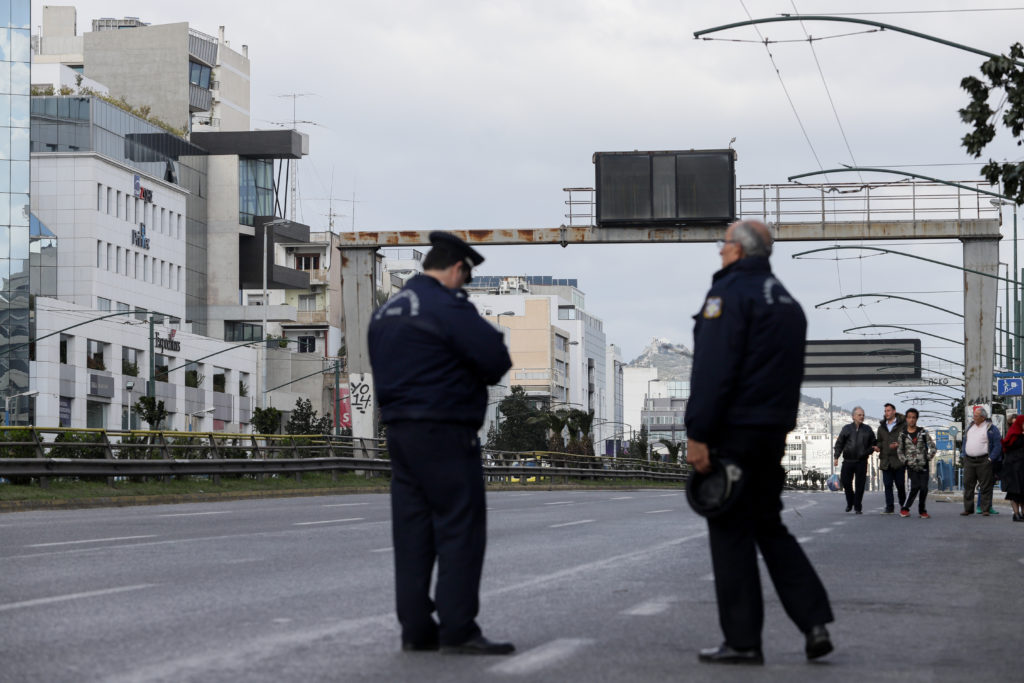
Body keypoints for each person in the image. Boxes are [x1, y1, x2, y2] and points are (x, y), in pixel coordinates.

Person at [686, 219, 834, 666]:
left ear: (738, 250)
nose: (718, 251)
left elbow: (713, 370)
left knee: (729, 532)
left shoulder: (728, 296)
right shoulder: (788, 302)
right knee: (769, 526)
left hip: (733, 432)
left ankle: (743, 640)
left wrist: (698, 433)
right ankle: (813, 623)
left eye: (723, 243)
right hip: (771, 435)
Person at [368, 231, 515, 655]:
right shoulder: (445, 306)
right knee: (458, 529)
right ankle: (458, 628)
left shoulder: (387, 310)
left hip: (399, 433)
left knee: (412, 533)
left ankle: (416, 629)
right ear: (456, 270)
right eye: (465, 279)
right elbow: (494, 359)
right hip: (446, 431)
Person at [959, 406, 1002, 517]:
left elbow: (998, 445)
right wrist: (964, 454)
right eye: (973, 415)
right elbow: (965, 441)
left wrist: (991, 458)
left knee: (985, 486)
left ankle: (985, 509)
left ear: (983, 417)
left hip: (984, 460)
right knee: (968, 485)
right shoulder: (970, 427)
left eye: (976, 416)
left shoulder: (991, 428)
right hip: (969, 460)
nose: (974, 417)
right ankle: (968, 509)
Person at [833, 407, 876, 514]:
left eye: (863, 415)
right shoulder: (846, 428)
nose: (862, 416)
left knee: (860, 485)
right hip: (848, 461)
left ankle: (857, 506)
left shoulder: (868, 429)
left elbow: (874, 443)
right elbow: (839, 444)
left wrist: (870, 450)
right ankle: (850, 501)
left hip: (861, 461)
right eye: (859, 415)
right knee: (846, 482)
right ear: (853, 416)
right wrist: (836, 456)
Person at [896, 408, 936, 518]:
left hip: (923, 465)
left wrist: (927, 458)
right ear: (906, 419)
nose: (911, 420)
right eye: (909, 417)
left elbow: (932, 447)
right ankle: (905, 508)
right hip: (911, 466)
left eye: (914, 417)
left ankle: (922, 510)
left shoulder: (922, 432)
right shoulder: (903, 435)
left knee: (923, 488)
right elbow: (899, 450)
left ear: (917, 419)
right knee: (914, 487)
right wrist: (905, 461)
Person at [876, 403, 907, 514]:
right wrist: (878, 447)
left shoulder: (903, 425)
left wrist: (899, 444)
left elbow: (907, 439)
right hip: (886, 460)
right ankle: (889, 507)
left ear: (894, 411)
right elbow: (879, 441)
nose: (886, 413)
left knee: (900, 485)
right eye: (885, 411)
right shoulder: (881, 427)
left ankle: (904, 507)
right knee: (887, 485)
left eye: (888, 410)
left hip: (898, 460)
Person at [1000, 413, 1024, 521]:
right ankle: (1016, 514)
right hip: (1013, 467)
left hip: (1021, 467)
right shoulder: (1013, 435)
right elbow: (1007, 447)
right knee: (1014, 492)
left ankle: (1022, 514)